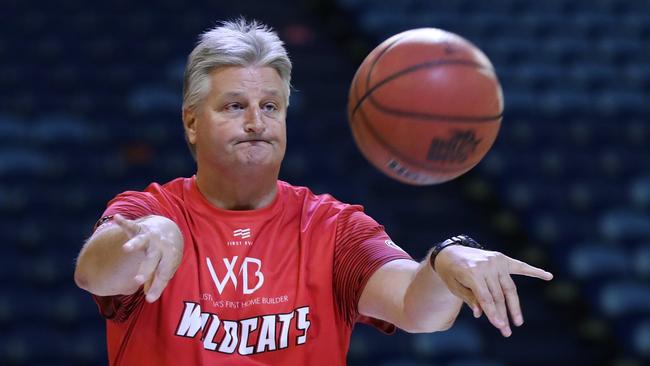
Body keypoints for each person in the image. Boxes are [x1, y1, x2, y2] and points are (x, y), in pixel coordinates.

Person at [74, 18, 553, 366]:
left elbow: (416, 308)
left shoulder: (333, 227)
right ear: (191, 121)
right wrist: (149, 239)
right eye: (235, 105)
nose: (256, 123)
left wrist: (448, 258)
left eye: (270, 105)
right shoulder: (151, 209)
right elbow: (94, 273)